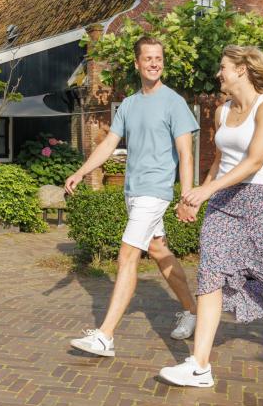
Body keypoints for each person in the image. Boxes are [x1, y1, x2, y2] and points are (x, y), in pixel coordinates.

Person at [159, 45, 263, 387]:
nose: (219, 74)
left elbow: (255, 161)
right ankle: (200, 365)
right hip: (222, 203)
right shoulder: (222, 110)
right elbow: (220, 160)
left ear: (242, 69)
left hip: (258, 200)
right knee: (210, 274)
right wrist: (199, 196)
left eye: (224, 67)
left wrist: (206, 191)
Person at [66, 35, 199, 357]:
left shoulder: (174, 102)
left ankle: (105, 336)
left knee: (127, 256)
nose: (155, 63)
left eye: (159, 58)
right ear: (138, 63)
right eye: (149, 58)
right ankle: (194, 311)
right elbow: (110, 144)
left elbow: (186, 153)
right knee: (158, 251)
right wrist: (82, 171)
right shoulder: (129, 104)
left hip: (155, 191)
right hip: (133, 191)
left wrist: (187, 195)